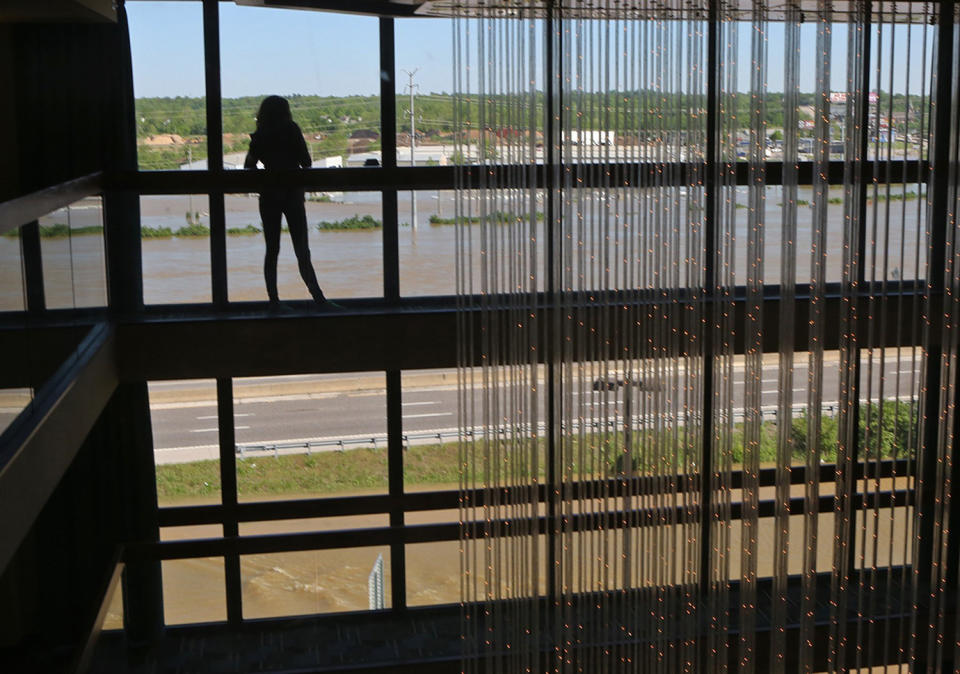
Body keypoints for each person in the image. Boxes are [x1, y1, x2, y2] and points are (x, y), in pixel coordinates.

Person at [245, 95, 327, 306]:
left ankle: (273, 300)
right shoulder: (292, 130)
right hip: (293, 194)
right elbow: (306, 161)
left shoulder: (260, 135)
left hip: (269, 195)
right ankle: (318, 297)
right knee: (302, 250)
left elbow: (249, 166)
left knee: (272, 250)